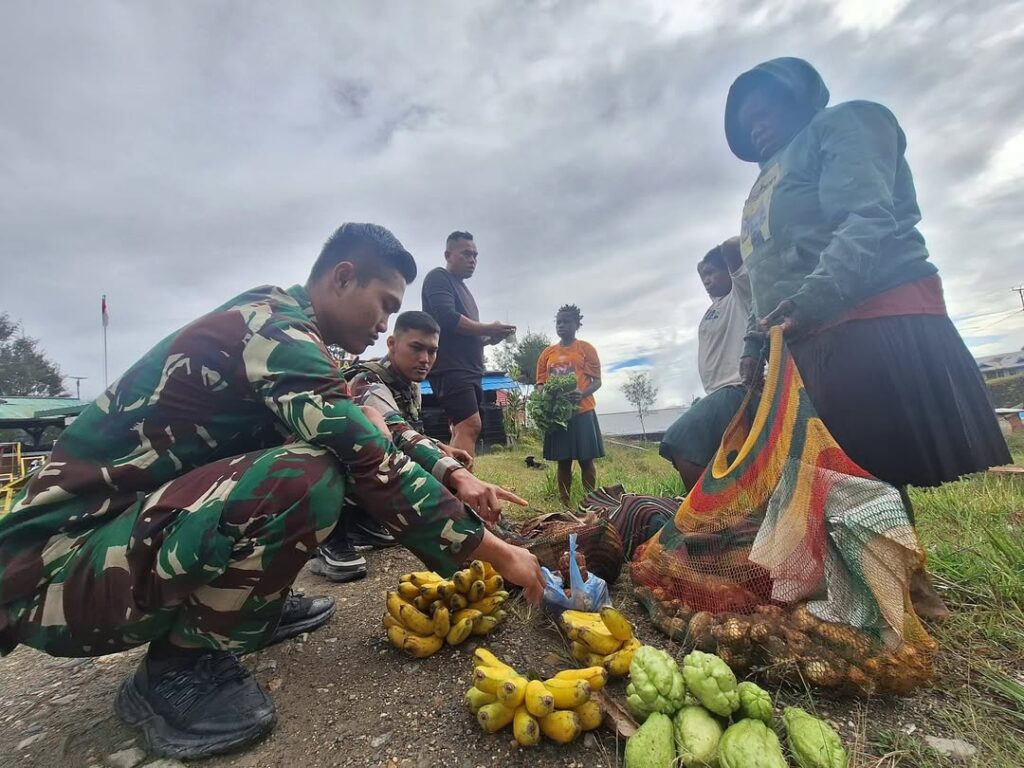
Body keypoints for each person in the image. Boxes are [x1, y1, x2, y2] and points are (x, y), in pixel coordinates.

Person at [0, 223, 545, 759]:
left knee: (324, 457)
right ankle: (179, 668)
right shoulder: (275, 330)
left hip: (108, 548)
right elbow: (365, 452)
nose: (385, 324)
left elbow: (374, 420)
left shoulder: (296, 340)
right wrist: (498, 554)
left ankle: (248, 604)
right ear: (343, 276)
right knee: (309, 473)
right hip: (55, 573)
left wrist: (454, 472)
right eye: (382, 304)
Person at [724, 58, 1011, 618]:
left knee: (866, 455)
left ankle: (906, 584)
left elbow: (866, 219)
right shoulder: (763, 185)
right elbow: (766, 271)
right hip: (801, 332)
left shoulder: (847, 124)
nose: (758, 125)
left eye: (768, 109)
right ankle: (862, 575)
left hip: (868, 312)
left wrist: (814, 300)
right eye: (746, 120)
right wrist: (755, 346)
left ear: (803, 99)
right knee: (825, 463)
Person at [310, 310, 526, 582]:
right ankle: (330, 537)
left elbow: (411, 432)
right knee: (372, 455)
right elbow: (394, 433)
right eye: (416, 348)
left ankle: (362, 525)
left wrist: (439, 447)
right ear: (391, 344)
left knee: (436, 459)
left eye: (432, 351)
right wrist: (459, 476)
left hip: (366, 477)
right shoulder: (368, 381)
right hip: (319, 478)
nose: (425, 359)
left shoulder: (409, 384)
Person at [660, 237, 756, 490]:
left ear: (730, 271)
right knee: (713, 459)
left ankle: (707, 513)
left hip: (736, 389)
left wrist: (724, 256)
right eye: (703, 276)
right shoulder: (715, 308)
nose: (706, 280)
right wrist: (704, 266)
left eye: (712, 272)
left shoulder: (742, 294)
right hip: (716, 393)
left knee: (680, 439)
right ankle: (727, 507)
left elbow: (732, 246)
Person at [422, 231, 516, 458]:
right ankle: (465, 490)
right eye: (466, 254)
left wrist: (489, 338)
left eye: (475, 255)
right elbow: (446, 318)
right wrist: (487, 328)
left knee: (460, 427)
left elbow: (465, 334)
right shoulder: (439, 277)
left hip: (471, 370)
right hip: (452, 368)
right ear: (448, 254)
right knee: (470, 425)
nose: (472, 260)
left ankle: (453, 487)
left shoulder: (465, 290)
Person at [535, 305, 604, 507]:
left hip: (582, 412)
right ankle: (565, 503)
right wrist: (545, 397)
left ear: (577, 325)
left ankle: (590, 502)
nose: (562, 325)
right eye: (559, 322)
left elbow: (597, 381)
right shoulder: (547, 353)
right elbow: (540, 383)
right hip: (557, 416)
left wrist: (581, 393)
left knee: (586, 460)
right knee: (563, 461)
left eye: (567, 322)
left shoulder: (586, 349)